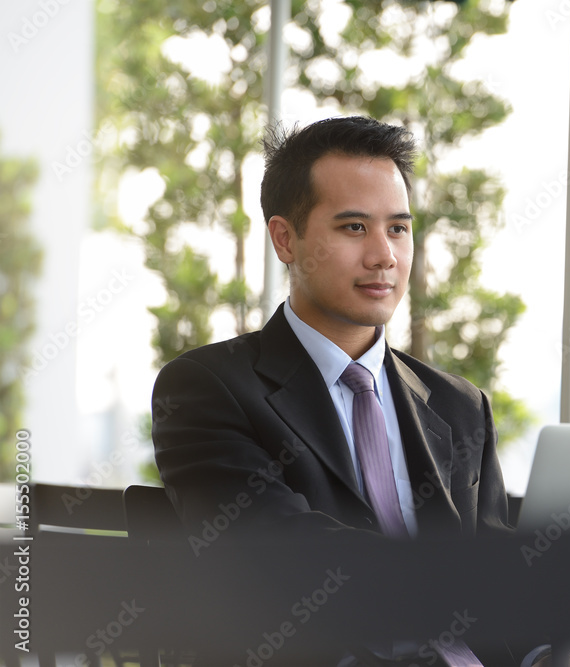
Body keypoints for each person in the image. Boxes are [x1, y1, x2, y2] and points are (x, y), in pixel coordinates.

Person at [150, 116, 521, 665]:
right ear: (285, 239)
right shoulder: (208, 388)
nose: (384, 257)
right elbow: (280, 555)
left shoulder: (459, 406)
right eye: (354, 228)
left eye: (398, 228)